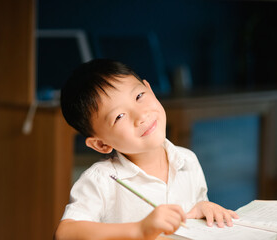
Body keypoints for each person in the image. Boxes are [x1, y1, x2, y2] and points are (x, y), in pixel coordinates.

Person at [54, 59, 238, 240]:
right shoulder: (101, 180)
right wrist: (139, 230)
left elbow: (190, 225)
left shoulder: (187, 160)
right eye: (119, 116)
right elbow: (65, 233)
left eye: (139, 96)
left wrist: (201, 209)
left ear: (149, 89)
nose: (140, 115)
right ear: (101, 144)